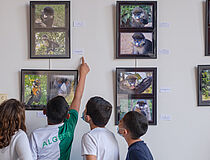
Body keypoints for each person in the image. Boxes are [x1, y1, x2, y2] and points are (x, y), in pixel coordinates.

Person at [29, 57, 90, 160]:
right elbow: (77, 98)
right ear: (68, 116)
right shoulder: (69, 127)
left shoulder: (35, 135)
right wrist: (83, 74)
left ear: (44, 112)